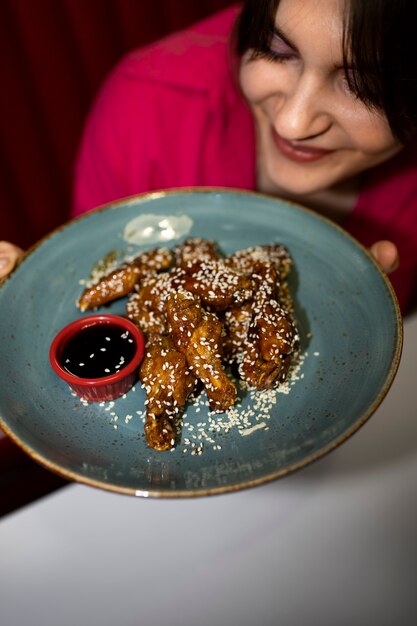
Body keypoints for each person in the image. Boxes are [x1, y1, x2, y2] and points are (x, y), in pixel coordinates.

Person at [1, 0, 416, 313]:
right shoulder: (146, 109)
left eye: (365, 87)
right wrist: (39, 309)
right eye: (275, 49)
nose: (292, 123)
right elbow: (88, 292)